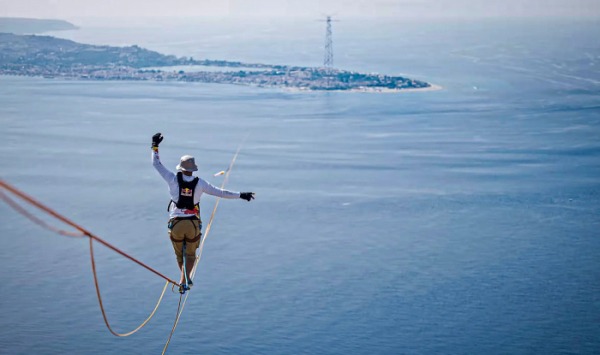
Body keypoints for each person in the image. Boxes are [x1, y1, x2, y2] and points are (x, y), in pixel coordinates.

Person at [151, 133, 254, 294]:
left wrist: (155, 146)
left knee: (180, 255)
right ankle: (186, 279)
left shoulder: (172, 179)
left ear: (181, 168)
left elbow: (156, 164)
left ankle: (182, 279)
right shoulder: (201, 184)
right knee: (190, 255)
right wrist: (241, 195)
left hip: (176, 224)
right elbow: (221, 192)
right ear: (192, 170)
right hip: (192, 224)